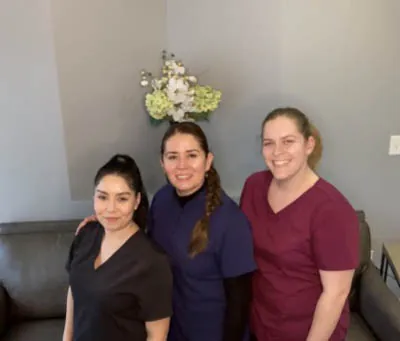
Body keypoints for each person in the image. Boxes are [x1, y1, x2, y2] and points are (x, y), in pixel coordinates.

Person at [76, 122, 257, 341]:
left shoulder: (231, 221)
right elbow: (136, 237)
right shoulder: (161, 200)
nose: (182, 165)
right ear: (162, 163)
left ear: (208, 161)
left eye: (191, 155)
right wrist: (104, 221)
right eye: (172, 157)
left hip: (211, 333)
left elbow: (239, 302)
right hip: (165, 330)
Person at [240, 107, 360, 341]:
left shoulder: (332, 210)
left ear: (309, 145)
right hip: (260, 324)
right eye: (269, 143)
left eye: (288, 141)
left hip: (306, 332)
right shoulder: (254, 186)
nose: (277, 152)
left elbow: (336, 293)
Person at [63, 154, 173, 341]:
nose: (111, 208)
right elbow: (74, 291)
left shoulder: (152, 261)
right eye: (103, 197)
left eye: (122, 199)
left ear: (136, 201)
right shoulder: (85, 235)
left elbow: (157, 336)